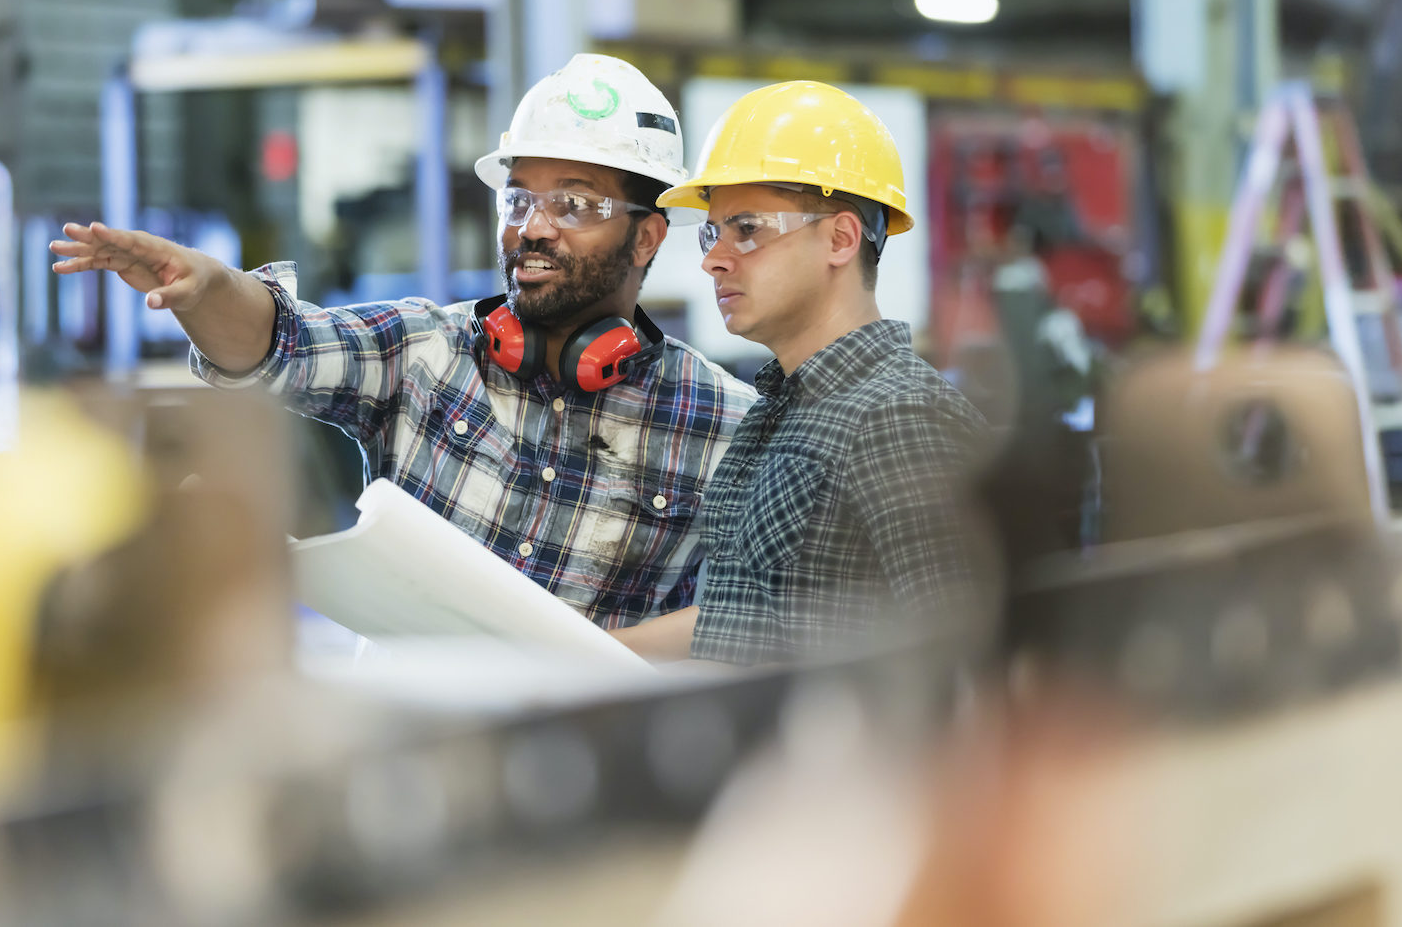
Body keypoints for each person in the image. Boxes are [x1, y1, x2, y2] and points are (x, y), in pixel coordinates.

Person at [51, 54, 755, 628]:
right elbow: (278, 341)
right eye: (518, 199)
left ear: (649, 234)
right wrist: (206, 288)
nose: (532, 228)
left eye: (572, 203)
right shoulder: (425, 351)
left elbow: (738, 628)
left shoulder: (723, 425)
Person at [610, 80, 992, 664]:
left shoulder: (900, 417)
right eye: (714, 232)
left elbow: (974, 650)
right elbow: (744, 618)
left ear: (840, 239)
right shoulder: (779, 412)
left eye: (748, 229)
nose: (714, 257)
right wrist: (576, 651)